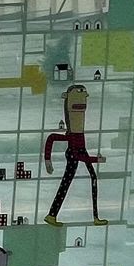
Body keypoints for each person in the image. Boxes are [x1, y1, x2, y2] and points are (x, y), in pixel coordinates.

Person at [43, 85, 108, 225]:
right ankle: (52, 215)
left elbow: (52, 138)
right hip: (75, 153)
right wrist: (96, 159)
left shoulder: (76, 132)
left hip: (79, 151)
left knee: (72, 182)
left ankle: (53, 215)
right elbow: (54, 140)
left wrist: (48, 159)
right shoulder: (73, 135)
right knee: (70, 183)